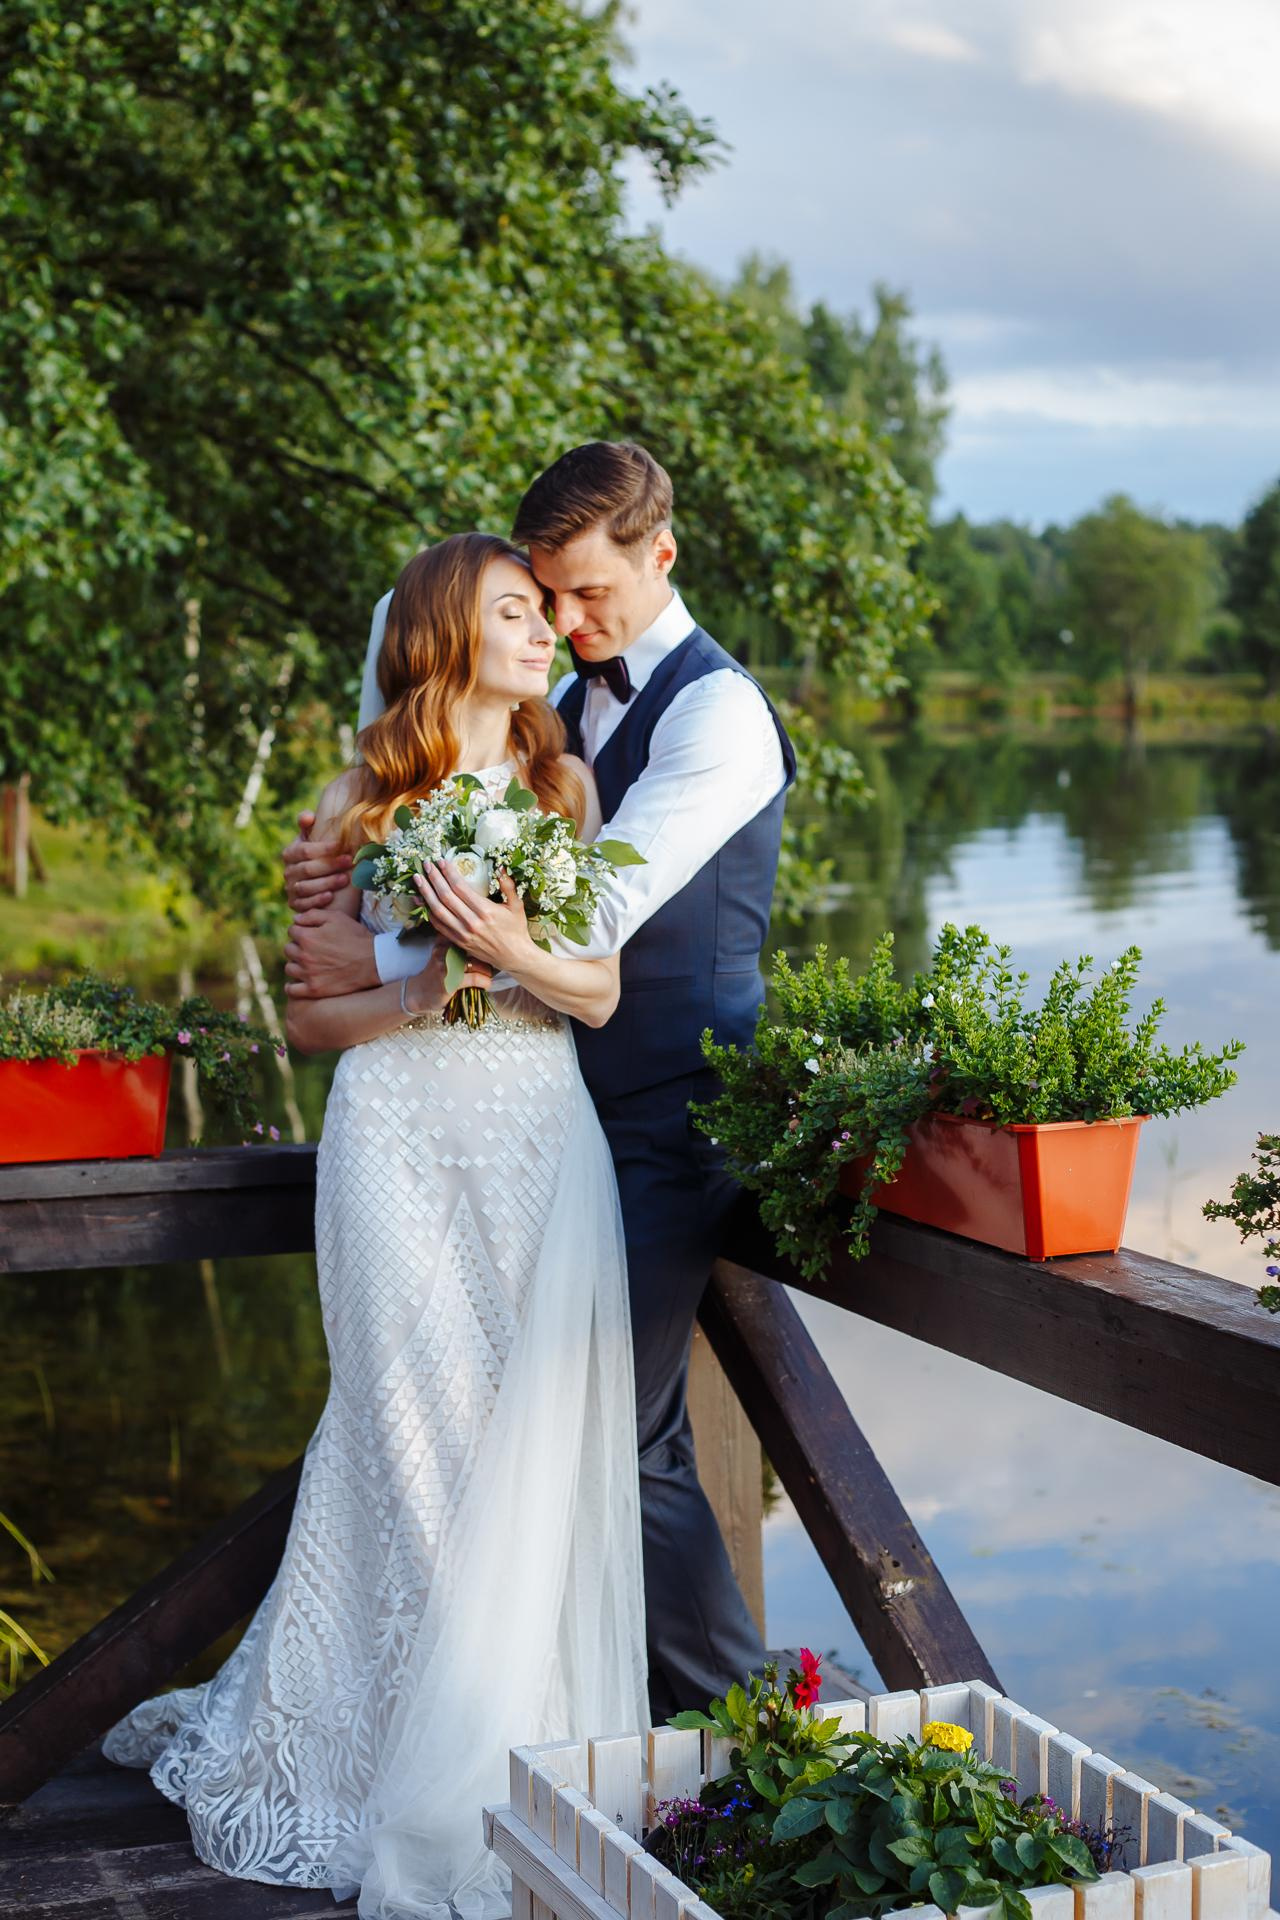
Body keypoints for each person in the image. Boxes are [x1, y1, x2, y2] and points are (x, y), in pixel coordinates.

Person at [104, 532, 649, 1920]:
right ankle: (397, 1772)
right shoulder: (356, 802)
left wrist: (508, 953)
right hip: (396, 1140)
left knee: (522, 1442)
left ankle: (514, 1764)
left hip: (535, 1137)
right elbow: (309, 1018)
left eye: (546, 612)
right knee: (403, 1433)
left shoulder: (562, 783)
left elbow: (595, 992)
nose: (545, 634)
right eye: (518, 612)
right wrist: (429, 990)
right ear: (443, 635)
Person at [285, 443, 797, 1723]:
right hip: (539, 1112)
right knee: (482, 1421)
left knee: (607, 1434)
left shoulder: (717, 713)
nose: (567, 627)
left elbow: (595, 910)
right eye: (544, 601)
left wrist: (395, 941)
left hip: (668, 1115)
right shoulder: (552, 720)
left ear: (658, 556)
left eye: (582, 597)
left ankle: (747, 1744)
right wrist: (354, 909)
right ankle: (567, 1726)